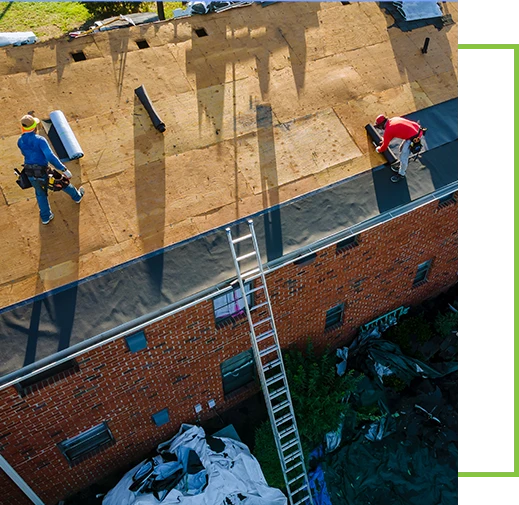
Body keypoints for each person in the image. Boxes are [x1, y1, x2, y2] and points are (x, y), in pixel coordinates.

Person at [17, 114, 85, 224]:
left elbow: (25, 154)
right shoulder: (40, 140)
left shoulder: (20, 141)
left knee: (40, 193)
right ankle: (77, 197)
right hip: (43, 171)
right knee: (62, 182)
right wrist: (63, 169)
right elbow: (50, 156)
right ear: (34, 127)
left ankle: (45, 216)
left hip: (29, 172)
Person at [374, 114, 426, 183]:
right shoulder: (393, 119)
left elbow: (384, 147)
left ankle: (401, 173)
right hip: (417, 129)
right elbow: (391, 134)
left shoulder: (389, 130)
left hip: (414, 137)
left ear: (381, 124)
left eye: (379, 127)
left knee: (403, 156)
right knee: (401, 148)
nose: (380, 128)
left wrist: (378, 149)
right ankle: (401, 167)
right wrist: (385, 139)